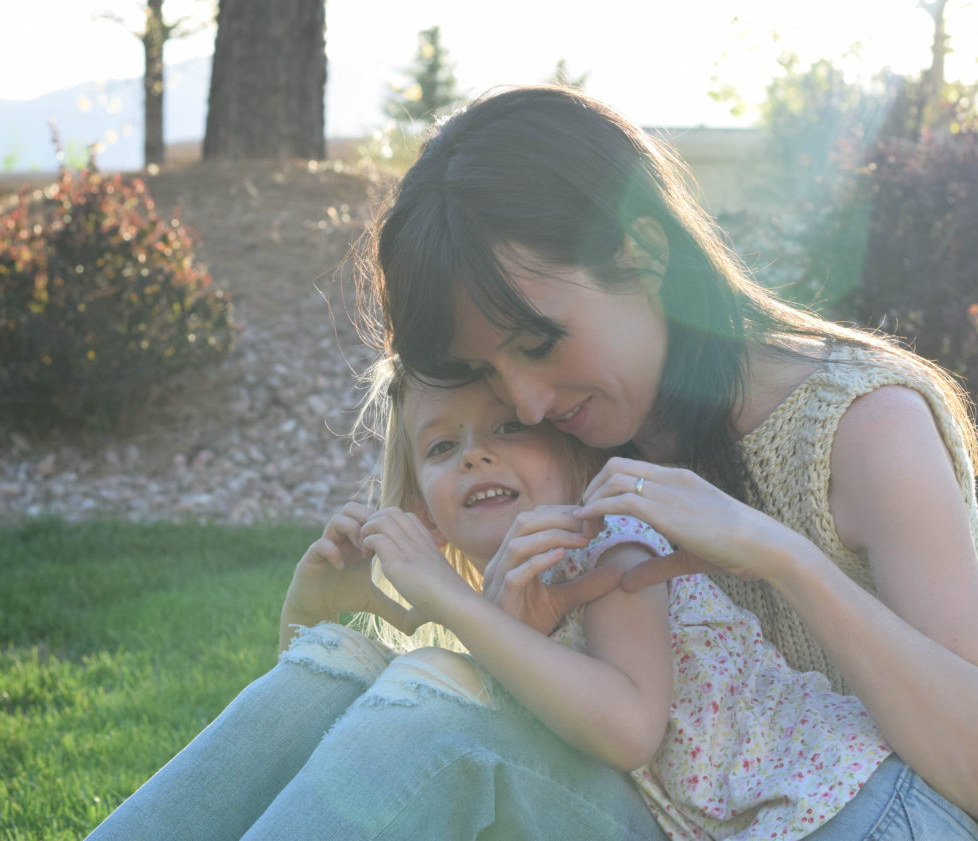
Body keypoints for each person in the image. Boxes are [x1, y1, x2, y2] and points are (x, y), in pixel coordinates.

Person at [365, 83, 978, 829]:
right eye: (489, 371)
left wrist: (782, 557)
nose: (523, 403)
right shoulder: (578, 442)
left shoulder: (864, 425)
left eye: (537, 343)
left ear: (646, 252)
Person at [90, 367, 901, 840]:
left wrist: (447, 599)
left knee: (440, 669)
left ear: (579, 452)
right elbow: (343, 742)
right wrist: (313, 622)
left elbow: (628, 727)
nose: (475, 450)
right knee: (350, 660)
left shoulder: (612, 544)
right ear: (424, 505)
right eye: (442, 445)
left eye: (508, 425)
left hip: (833, 821)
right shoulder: (503, 593)